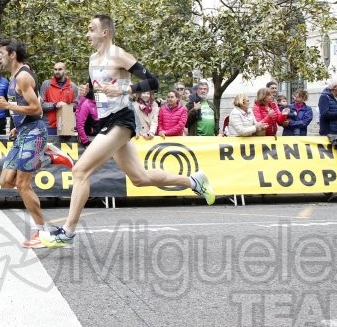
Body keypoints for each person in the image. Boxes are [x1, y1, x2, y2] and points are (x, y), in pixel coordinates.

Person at [40, 15, 214, 249]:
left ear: (105, 32)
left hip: (122, 120)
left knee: (81, 170)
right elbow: (100, 92)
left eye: (91, 30)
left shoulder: (119, 55)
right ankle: (194, 181)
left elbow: (153, 82)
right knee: (139, 178)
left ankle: (68, 232)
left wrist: (126, 89)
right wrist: (89, 93)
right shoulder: (92, 59)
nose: (87, 34)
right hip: (106, 121)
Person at [0, 38, 72, 249]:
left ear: (12, 54)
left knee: (22, 185)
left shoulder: (24, 77)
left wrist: (7, 105)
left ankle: (42, 232)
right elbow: (24, 107)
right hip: (23, 133)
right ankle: (47, 157)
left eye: (1, 53)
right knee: (5, 181)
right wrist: (17, 126)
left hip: (35, 133)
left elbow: (37, 109)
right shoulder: (14, 76)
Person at [40, 62, 77, 135]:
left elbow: (77, 105)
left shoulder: (73, 86)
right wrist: (55, 105)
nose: (57, 71)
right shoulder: (46, 84)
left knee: (64, 146)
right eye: (55, 69)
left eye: (60, 69)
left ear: (65, 71)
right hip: (49, 125)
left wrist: (66, 106)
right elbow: (41, 105)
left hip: (66, 126)